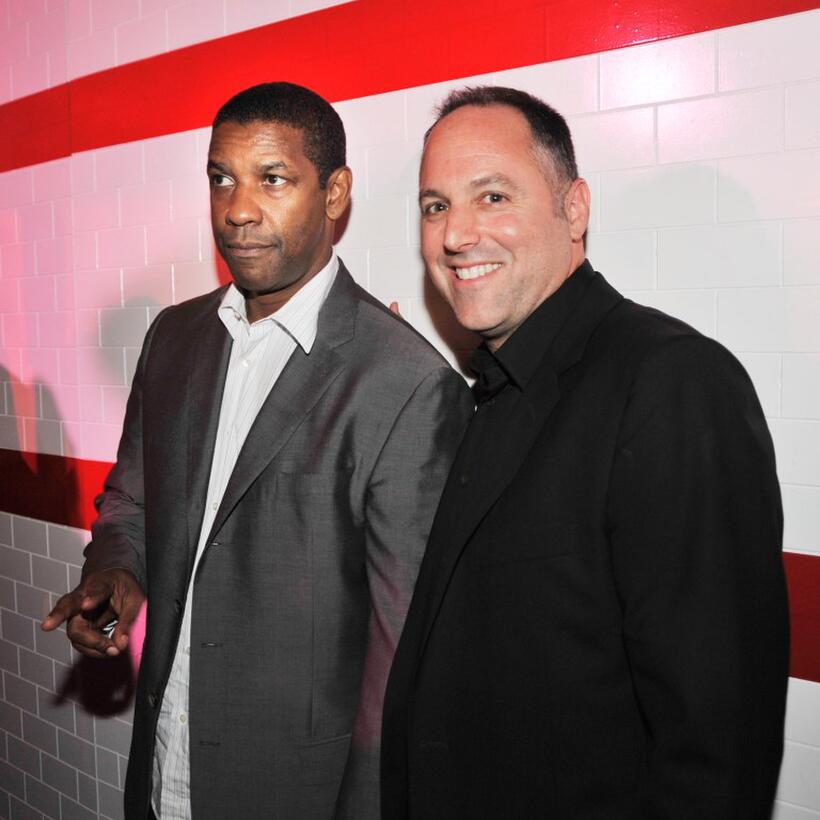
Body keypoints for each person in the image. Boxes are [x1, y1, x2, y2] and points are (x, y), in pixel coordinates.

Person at [42, 81, 473, 820]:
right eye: (221, 178)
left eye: (273, 179)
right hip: (162, 772)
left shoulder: (404, 382)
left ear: (335, 193)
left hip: (291, 793)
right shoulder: (174, 338)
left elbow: (402, 659)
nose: (238, 208)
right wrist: (116, 569)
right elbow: (134, 497)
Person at [381, 86, 789, 819]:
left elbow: (715, 750)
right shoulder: (494, 388)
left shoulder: (672, 382)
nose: (455, 234)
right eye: (435, 205)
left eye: (494, 195)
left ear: (574, 210)